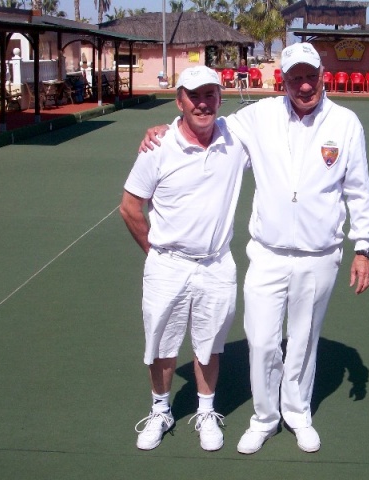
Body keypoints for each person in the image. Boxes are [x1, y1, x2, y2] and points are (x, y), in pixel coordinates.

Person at [140, 43, 369, 455]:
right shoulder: (258, 116)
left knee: (303, 340)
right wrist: (162, 127)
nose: (303, 85)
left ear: (323, 74)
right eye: (294, 78)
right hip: (267, 253)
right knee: (263, 341)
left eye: (310, 76)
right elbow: (204, 120)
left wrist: (364, 247)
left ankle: (298, 414)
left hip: (320, 255)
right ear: (281, 80)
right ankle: (264, 418)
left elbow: (358, 191)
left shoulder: (346, 123)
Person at [120, 65, 249, 452]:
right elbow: (129, 207)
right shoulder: (158, 146)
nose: (203, 103)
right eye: (194, 95)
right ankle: (161, 409)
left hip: (216, 263)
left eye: (210, 94)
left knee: (210, 345)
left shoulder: (236, 138)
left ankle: (205, 410)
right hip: (167, 263)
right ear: (179, 101)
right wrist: (156, 252)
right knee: (161, 344)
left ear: (220, 99)